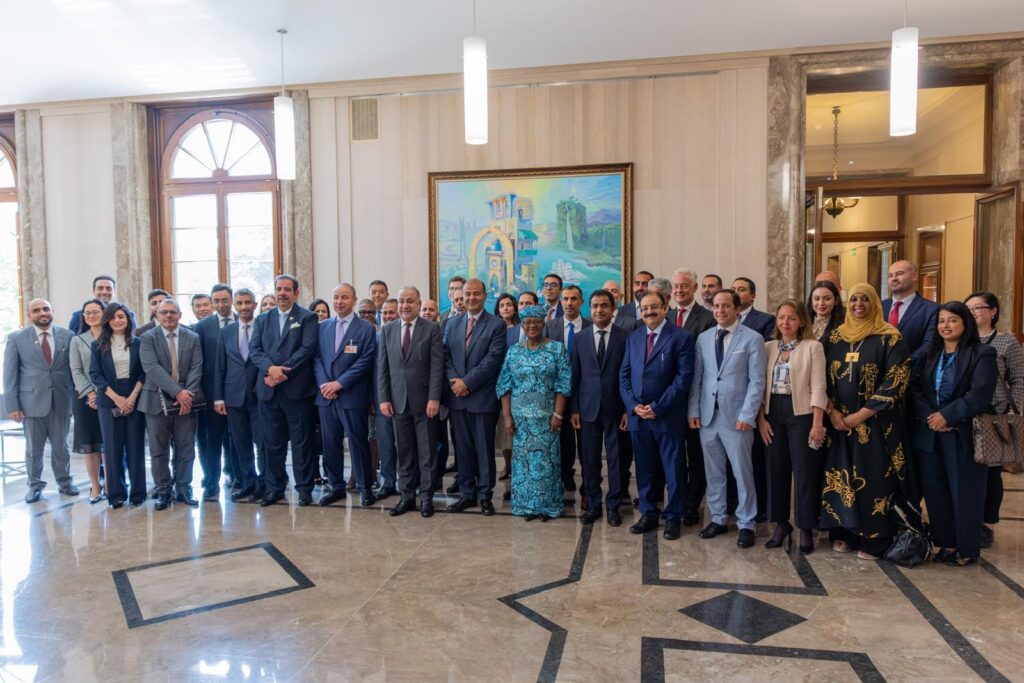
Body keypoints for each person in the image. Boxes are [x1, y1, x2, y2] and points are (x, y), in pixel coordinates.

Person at [822, 283, 914, 559]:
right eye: (853, 300)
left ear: (874, 303)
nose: (858, 305)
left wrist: (861, 415)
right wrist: (832, 412)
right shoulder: (835, 337)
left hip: (876, 424)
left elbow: (897, 379)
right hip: (839, 425)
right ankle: (844, 532)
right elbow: (818, 377)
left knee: (873, 479)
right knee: (840, 477)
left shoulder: (890, 337)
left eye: (865, 299)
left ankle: (874, 539)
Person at [911, 301, 996, 566]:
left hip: (963, 433)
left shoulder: (982, 353)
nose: (945, 326)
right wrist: (932, 417)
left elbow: (980, 393)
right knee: (935, 491)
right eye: (941, 321)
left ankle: (967, 549)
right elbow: (914, 389)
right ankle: (946, 543)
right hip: (930, 433)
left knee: (965, 492)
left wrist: (948, 415)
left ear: (965, 323)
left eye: (952, 320)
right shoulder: (929, 354)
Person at [688, 289, 766, 548]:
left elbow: (757, 381)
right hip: (708, 417)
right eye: (716, 306)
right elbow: (698, 378)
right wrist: (693, 411)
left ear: (736, 308)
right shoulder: (704, 338)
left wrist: (748, 414)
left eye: (725, 306)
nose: (720, 310)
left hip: (737, 419)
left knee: (742, 473)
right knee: (714, 472)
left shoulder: (752, 338)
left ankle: (746, 523)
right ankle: (719, 518)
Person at [620, 290, 695, 540]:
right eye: (644, 308)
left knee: (674, 469)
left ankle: (673, 517)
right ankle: (648, 513)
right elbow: (624, 375)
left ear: (665, 308)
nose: (649, 312)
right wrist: (633, 406)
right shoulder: (634, 337)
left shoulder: (681, 337)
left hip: (667, 416)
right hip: (639, 417)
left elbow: (683, 379)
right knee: (645, 469)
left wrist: (657, 407)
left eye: (654, 307)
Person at [757, 299, 827, 553]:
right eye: (781, 317)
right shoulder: (767, 347)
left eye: (791, 318)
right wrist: (761, 420)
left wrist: (817, 424)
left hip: (802, 414)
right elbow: (758, 385)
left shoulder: (812, 347)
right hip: (772, 414)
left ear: (801, 321)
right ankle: (780, 524)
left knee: (804, 472)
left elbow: (819, 386)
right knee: (776, 470)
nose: (785, 322)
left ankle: (806, 527)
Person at [249, 275, 319, 507]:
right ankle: (274, 488)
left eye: (287, 289)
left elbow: (307, 349)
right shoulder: (262, 319)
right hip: (268, 392)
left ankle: (304, 489)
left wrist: (280, 374)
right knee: (272, 443)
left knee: (301, 443)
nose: (282, 293)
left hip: (296, 391)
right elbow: (255, 350)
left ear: (296, 293)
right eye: (279, 289)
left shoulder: (307, 317)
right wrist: (271, 369)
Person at [497, 305, 571, 521]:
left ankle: (547, 507)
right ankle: (526, 506)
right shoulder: (514, 351)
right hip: (520, 422)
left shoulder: (556, 349)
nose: (532, 326)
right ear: (522, 325)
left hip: (547, 420)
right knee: (523, 466)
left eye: (536, 322)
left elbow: (564, 384)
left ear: (543, 324)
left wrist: (558, 415)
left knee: (547, 464)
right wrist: (507, 417)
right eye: (527, 322)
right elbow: (504, 384)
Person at [378, 286, 444, 517]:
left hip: (425, 403)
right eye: (401, 301)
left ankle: (426, 498)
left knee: (427, 454)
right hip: (397, 403)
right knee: (403, 452)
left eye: (410, 301)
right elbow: (382, 368)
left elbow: (437, 367)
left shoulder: (432, 329)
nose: (405, 305)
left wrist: (434, 398)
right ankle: (406, 496)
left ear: (418, 303)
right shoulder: (387, 329)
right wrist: (384, 398)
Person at [444, 278, 507, 515]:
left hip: (482, 398)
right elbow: (445, 356)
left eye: (476, 293)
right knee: (462, 449)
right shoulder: (451, 324)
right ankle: (467, 493)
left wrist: (467, 383)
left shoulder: (496, 324)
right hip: (457, 398)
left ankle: (485, 495)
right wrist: (456, 382)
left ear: (484, 295)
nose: (471, 297)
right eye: (467, 293)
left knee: (484, 449)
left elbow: (493, 360)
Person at [4, 299, 78, 503]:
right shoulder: (17, 338)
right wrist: (13, 405)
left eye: (46, 309)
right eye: (36, 310)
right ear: (29, 315)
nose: (42, 313)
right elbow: (9, 374)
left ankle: (65, 482)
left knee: (61, 447)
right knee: (33, 449)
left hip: (61, 401)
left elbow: (73, 369)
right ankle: (35, 486)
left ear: (52, 311)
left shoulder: (68, 336)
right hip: (31, 403)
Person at [966, 291, 1024, 547]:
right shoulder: (962, 340)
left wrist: (1013, 410)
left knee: (991, 473)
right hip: (965, 414)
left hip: (994, 415)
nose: (973, 312)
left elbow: (1019, 379)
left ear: (993, 311)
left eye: (978, 308)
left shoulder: (1007, 342)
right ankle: (967, 519)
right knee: (968, 471)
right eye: (969, 308)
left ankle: (987, 524)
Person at [315, 283, 377, 507]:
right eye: (336, 297)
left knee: (358, 442)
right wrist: (325, 384)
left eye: (344, 297)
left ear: (354, 300)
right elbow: (316, 358)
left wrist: (339, 384)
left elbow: (365, 360)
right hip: (326, 396)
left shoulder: (366, 328)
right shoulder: (322, 327)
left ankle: (364, 487)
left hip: (352, 395)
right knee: (330, 442)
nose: (339, 301)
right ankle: (336, 486)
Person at [571, 289, 630, 526]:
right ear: (589, 308)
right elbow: (575, 376)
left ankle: (614, 505)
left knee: (617, 460)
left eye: (604, 305)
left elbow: (629, 375)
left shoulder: (625, 337)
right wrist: (575, 409)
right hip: (587, 409)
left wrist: (627, 410)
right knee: (589, 460)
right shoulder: (580, 338)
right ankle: (593, 504)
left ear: (613, 308)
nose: (599, 310)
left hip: (616, 409)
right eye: (595, 306)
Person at [138, 298, 204, 510]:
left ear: (179, 315)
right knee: (159, 450)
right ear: (157, 315)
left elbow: (197, 367)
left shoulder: (192, 337)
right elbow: (152, 368)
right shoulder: (147, 338)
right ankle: (163, 490)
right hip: (155, 402)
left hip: (186, 402)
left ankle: (184, 488)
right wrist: (178, 392)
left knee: (186, 448)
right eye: (163, 312)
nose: (168, 316)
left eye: (172, 312)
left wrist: (187, 395)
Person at [669, 267, 716, 525]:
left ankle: (692, 504)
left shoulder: (708, 317)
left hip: (696, 398)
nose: (679, 290)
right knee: (674, 455)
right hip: (669, 400)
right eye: (676, 286)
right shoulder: (665, 316)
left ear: (695, 288)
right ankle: (676, 500)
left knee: (696, 456)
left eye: (684, 286)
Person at [90, 302, 146, 508]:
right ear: (107, 321)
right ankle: (116, 494)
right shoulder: (98, 345)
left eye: (121, 316)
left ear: (128, 319)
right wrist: (117, 399)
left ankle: (138, 493)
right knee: (112, 449)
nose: (117, 320)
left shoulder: (139, 343)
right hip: (108, 399)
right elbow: (95, 374)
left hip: (135, 397)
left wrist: (131, 398)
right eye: (113, 317)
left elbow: (144, 372)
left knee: (135, 447)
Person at [213, 288, 263, 502]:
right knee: (241, 444)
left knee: (263, 443)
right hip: (233, 397)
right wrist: (218, 398)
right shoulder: (226, 332)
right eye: (240, 303)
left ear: (255, 304)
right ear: (235, 305)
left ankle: (265, 484)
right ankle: (247, 483)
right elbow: (219, 366)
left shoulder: (263, 326)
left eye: (247, 302)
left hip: (260, 395)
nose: (244, 307)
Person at [545, 285, 591, 492]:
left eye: (574, 299)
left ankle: (588, 486)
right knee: (562, 440)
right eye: (566, 299)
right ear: (561, 302)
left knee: (586, 443)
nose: (569, 303)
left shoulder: (591, 326)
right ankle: (565, 476)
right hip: (558, 394)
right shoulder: (550, 327)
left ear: (581, 302)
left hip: (585, 393)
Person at [193, 283, 238, 500]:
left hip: (239, 391)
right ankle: (211, 481)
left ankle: (238, 477)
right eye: (216, 301)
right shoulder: (202, 327)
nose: (221, 304)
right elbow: (197, 362)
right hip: (211, 393)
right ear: (212, 303)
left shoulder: (243, 321)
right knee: (211, 440)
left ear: (231, 300)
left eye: (224, 300)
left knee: (238, 438)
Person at [69, 298, 106, 503]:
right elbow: (76, 370)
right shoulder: (77, 340)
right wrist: (92, 395)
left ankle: (112, 484)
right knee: (90, 445)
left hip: (109, 397)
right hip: (85, 399)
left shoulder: (113, 337)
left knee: (108, 444)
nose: (91, 316)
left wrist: (102, 395)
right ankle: (95, 486)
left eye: (95, 312)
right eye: (87, 313)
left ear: (104, 313)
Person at [882, 260, 939, 362]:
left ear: (914, 276)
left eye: (899, 274)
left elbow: (928, 345)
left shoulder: (932, 309)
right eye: (890, 276)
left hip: (913, 368)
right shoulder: (879, 307)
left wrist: (903, 365)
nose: (894, 279)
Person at [374, 297, 401, 497]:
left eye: (392, 312)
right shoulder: (376, 337)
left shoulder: (407, 334)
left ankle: (408, 482)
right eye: (385, 313)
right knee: (385, 443)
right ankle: (388, 482)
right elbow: (372, 371)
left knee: (405, 445)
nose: (388, 316)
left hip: (405, 399)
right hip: (381, 399)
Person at [494, 293, 519, 481]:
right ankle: (507, 464)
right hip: (496, 384)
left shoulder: (521, 329)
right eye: (502, 305)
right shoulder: (493, 328)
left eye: (509, 304)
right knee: (502, 429)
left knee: (513, 426)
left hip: (516, 385)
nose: (505, 308)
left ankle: (517, 465)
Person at [68, 275, 136, 332]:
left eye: (108, 289)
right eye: (100, 288)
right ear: (93, 291)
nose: (104, 292)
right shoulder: (78, 316)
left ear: (114, 292)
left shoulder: (127, 315)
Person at [808, 280, 844, 348]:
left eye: (827, 299)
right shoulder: (802, 324)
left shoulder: (842, 328)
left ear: (836, 301)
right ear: (811, 300)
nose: (821, 303)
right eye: (817, 299)